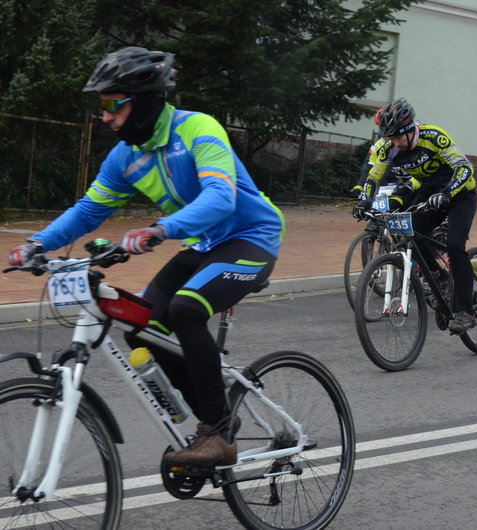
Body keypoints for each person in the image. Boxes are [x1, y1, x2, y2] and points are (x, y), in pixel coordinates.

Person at [8, 47, 285, 467]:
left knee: (187, 308)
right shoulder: (125, 157)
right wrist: (37, 244)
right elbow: (88, 211)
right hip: (204, 246)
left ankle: (214, 432)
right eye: (102, 106)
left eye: (112, 105)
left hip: (252, 238)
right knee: (141, 324)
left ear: (144, 102)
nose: (105, 117)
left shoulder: (196, 128)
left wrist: (160, 229)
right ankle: (218, 423)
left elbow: (220, 198)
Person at [352, 98, 477, 334]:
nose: (396, 143)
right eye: (390, 138)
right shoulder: (387, 147)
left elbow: (465, 168)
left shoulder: (434, 137)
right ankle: (439, 275)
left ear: (411, 130)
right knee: (412, 234)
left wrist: (448, 193)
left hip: (460, 193)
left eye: (398, 137)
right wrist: (364, 201)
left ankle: (466, 311)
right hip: (430, 194)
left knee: (454, 244)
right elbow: (374, 177)